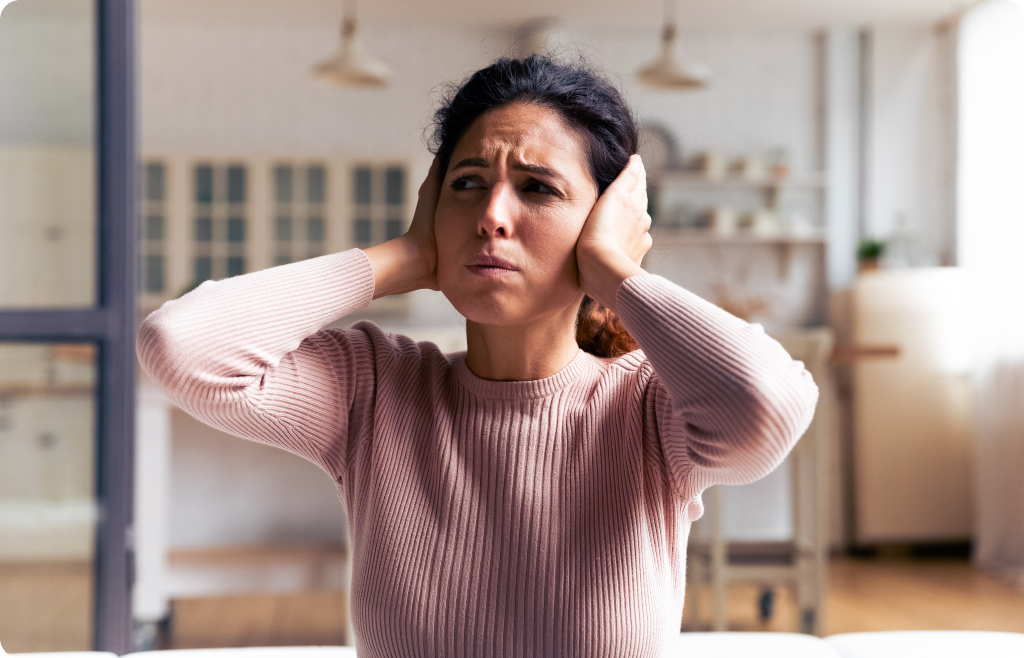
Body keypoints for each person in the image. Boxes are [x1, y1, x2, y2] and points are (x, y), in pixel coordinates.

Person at [138, 54, 818, 658]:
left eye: (537, 187)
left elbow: (768, 410)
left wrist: (612, 271)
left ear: (602, 222)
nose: (492, 212)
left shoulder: (647, 408)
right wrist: (404, 256)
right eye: (466, 183)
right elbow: (180, 346)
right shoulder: (375, 390)